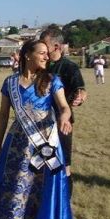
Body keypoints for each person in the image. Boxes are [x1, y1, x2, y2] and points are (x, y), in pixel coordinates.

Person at [0, 39, 78, 219]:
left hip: (45, 145)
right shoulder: (10, 82)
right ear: (27, 56)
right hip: (17, 147)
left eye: (46, 53)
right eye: (41, 53)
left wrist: (64, 117)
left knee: (41, 194)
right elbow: (3, 115)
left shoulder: (52, 80)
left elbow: (64, 106)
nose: (46, 57)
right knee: (14, 192)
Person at [39, 28, 86, 196]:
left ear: (56, 46)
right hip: (39, 124)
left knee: (64, 165)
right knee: (39, 166)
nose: (41, 49)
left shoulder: (69, 68)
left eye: (44, 45)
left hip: (61, 124)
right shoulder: (40, 65)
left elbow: (80, 90)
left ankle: (64, 204)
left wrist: (80, 97)